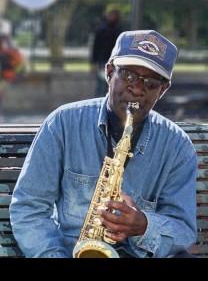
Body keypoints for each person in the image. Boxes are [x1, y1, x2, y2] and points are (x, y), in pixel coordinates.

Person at [10, 30, 197, 258]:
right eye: (128, 75)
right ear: (109, 72)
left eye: (150, 83)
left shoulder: (177, 145)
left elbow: (184, 230)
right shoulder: (63, 123)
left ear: (163, 90)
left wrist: (144, 225)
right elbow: (29, 209)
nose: (137, 89)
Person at [91, 8, 123, 97]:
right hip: (103, 61)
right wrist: (94, 62)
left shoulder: (119, 30)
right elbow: (96, 47)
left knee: (113, 84)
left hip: (115, 61)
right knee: (101, 84)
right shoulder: (101, 30)